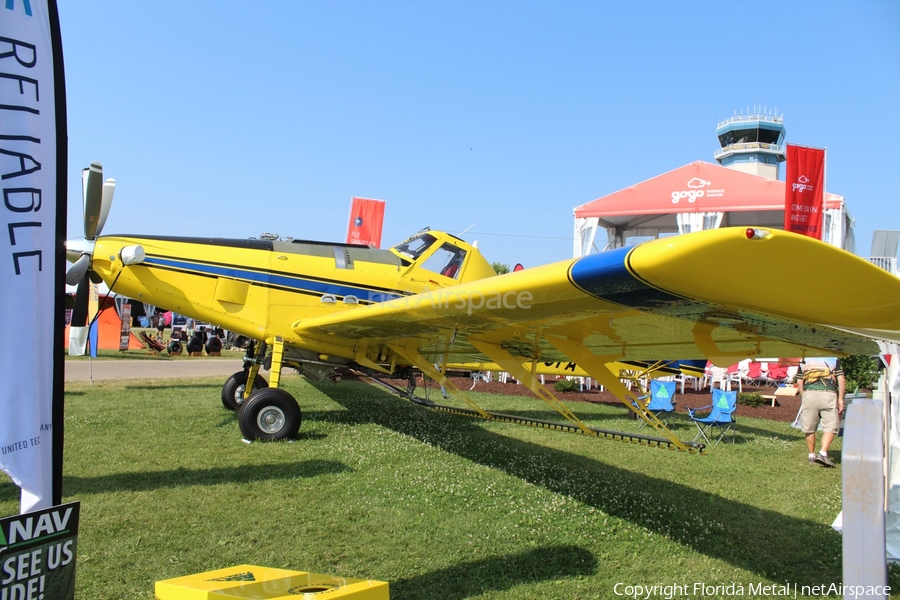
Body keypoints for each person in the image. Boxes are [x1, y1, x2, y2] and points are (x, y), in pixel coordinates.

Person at [795, 357, 845, 467]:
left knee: (809, 427)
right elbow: (841, 379)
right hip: (828, 394)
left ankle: (811, 455)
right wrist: (840, 399)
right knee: (831, 426)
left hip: (810, 394)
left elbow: (799, 382)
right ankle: (823, 452)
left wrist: (805, 396)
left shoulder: (804, 359)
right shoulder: (834, 359)